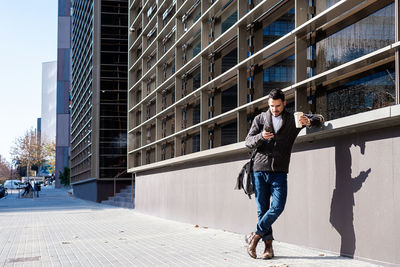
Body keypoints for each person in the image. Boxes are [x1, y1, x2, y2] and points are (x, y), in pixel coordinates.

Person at [244, 88, 324, 259]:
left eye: (278, 106)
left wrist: (309, 122)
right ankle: (268, 248)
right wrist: (261, 137)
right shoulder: (260, 119)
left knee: (278, 207)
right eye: (272, 106)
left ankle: (255, 236)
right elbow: (248, 142)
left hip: (279, 170)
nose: (275, 109)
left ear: (284, 103)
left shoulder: (292, 119)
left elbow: (320, 119)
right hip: (259, 169)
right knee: (262, 209)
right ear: (268, 104)